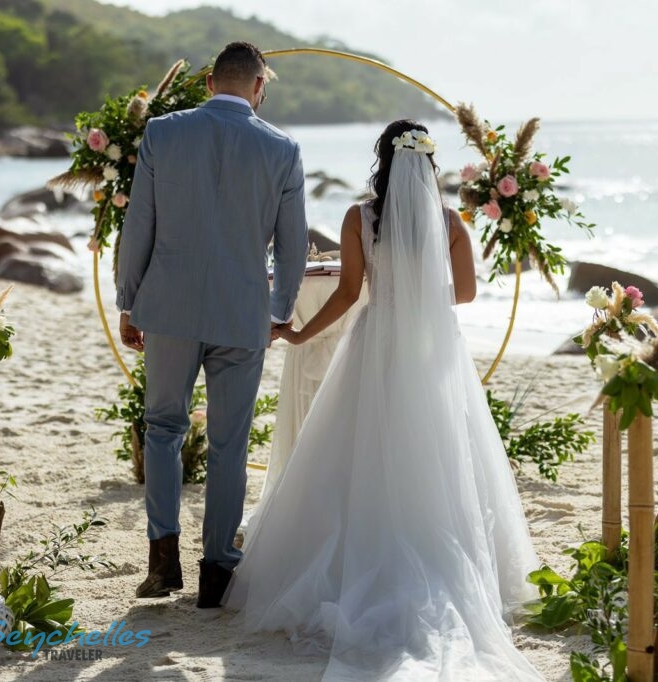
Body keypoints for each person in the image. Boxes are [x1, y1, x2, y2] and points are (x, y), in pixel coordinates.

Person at [225, 120, 544, 680]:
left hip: (377, 341)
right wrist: (421, 296)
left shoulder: (359, 218)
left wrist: (299, 333)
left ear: (383, 161)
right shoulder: (448, 222)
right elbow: (466, 293)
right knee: (441, 449)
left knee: (358, 448)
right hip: (432, 345)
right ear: (429, 165)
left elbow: (350, 292)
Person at [115, 41, 308, 609]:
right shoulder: (283, 149)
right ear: (258, 88)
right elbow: (292, 249)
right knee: (228, 443)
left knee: (163, 430)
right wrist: (278, 312)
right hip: (242, 312)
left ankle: (163, 560)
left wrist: (129, 301)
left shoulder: (162, 133)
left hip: (168, 308)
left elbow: (138, 228)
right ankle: (218, 571)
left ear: (207, 84)